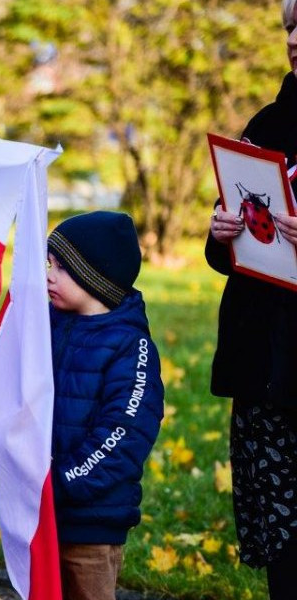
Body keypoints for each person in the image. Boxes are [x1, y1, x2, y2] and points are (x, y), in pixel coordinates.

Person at [206, 2, 297, 595]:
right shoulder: (265, 124)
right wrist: (221, 232)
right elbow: (230, 248)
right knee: (282, 540)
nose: (296, 39)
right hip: (265, 367)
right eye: (290, 26)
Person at [46, 211, 164, 600]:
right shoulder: (47, 324)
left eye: (61, 267)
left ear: (92, 276)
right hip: (41, 513)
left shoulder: (130, 346)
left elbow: (124, 433)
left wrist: (63, 480)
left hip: (92, 523)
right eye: (49, 264)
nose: (48, 275)